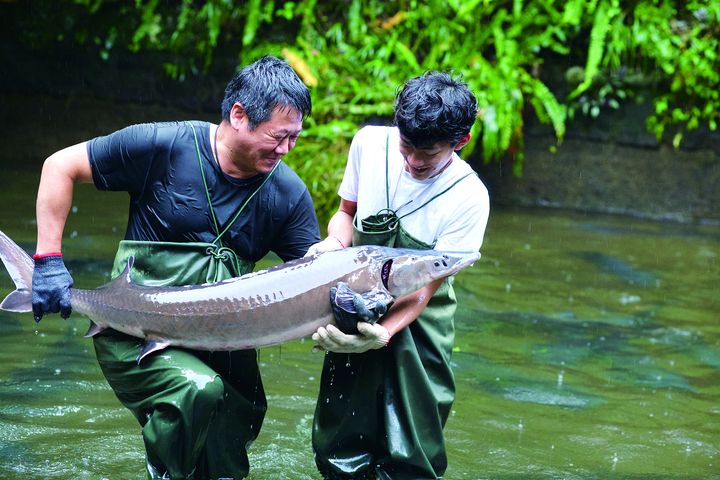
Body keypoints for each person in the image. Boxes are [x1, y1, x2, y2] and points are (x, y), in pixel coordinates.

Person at [30, 55, 320, 479]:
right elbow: (60, 166)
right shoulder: (162, 146)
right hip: (135, 332)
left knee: (227, 450)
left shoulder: (287, 193)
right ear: (238, 115)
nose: (286, 150)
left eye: (294, 138)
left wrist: (345, 299)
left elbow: (312, 272)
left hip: (225, 342)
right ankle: (163, 466)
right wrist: (49, 260)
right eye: (277, 137)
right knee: (197, 391)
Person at [307, 71, 490, 479]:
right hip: (354, 309)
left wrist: (385, 333)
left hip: (421, 324)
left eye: (427, 154)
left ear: (461, 142)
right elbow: (345, 214)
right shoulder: (369, 144)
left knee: (413, 454)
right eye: (406, 147)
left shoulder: (470, 197)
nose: (412, 162)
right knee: (339, 445)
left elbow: (426, 285)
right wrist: (334, 246)